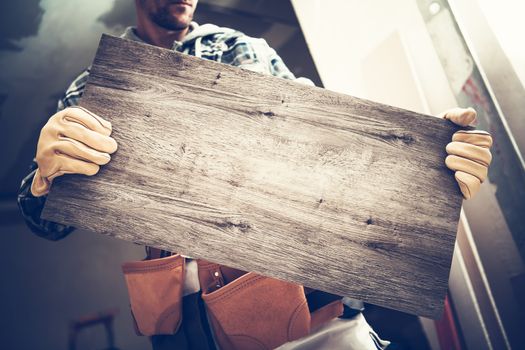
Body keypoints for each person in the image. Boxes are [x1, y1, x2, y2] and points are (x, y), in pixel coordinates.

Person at [17, 0, 493, 349]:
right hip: (185, 323)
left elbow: (333, 156)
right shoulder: (97, 81)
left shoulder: (243, 49)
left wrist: (427, 171)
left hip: (298, 310)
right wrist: (44, 177)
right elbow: (46, 222)